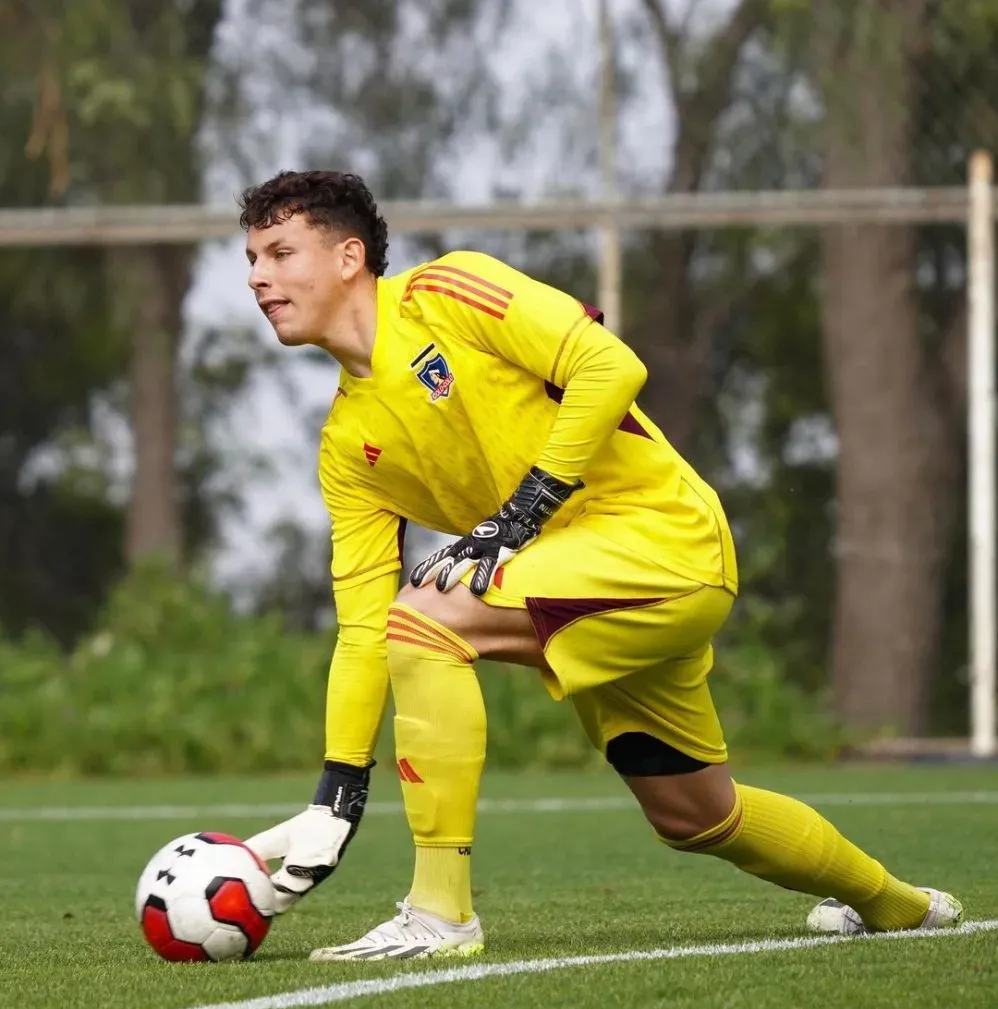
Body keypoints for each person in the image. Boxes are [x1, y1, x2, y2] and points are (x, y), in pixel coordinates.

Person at [239, 169, 962, 962]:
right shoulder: (348, 444)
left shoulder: (447, 292)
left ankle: (440, 915)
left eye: (279, 252)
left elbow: (610, 366)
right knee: (695, 816)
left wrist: (519, 517)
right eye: (250, 259)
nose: (258, 277)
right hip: (584, 582)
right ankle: (900, 906)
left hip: (665, 541)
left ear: (350, 257)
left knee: (428, 618)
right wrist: (337, 790)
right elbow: (358, 629)